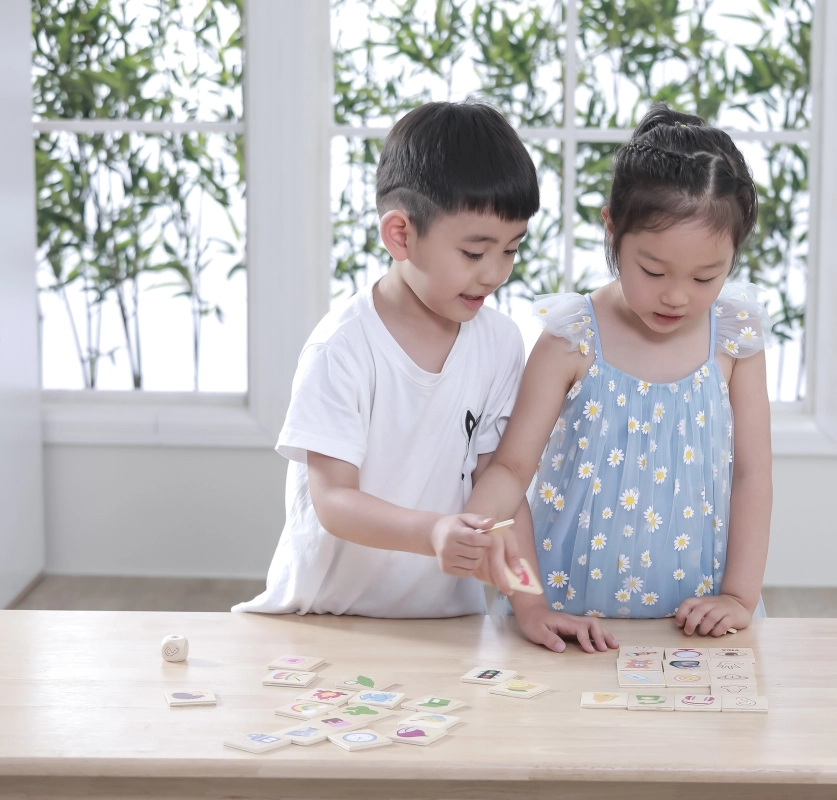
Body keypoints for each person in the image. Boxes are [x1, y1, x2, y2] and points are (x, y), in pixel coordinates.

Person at [234, 100, 617, 652]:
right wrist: (432, 531)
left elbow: (501, 488)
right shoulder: (342, 348)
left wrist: (532, 606)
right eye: (474, 252)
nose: (495, 273)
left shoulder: (499, 342)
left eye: (511, 250)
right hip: (325, 618)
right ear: (401, 235)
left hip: (443, 625)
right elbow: (333, 500)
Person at [466, 103, 773, 643]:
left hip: (697, 619)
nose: (676, 296)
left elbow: (753, 476)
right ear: (612, 231)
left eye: (706, 277)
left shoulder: (733, 336)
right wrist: (511, 580)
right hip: (564, 610)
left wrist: (739, 597)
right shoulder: (571, 338)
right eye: (652, 270)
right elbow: (510, 471)